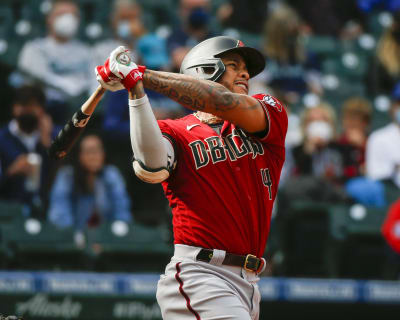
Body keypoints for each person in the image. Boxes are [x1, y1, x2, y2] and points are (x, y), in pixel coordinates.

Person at [94, 36, 287, 319]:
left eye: (246, 68)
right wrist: (135, 89)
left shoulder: (270, 112)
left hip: (248, 281)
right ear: (204, 69)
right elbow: (152, 164)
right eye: (233, 65)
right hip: (201, 273)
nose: (245, 73)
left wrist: (141, 74)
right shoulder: (176, 131)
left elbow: (220, 101)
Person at [17, 0, 90, 124]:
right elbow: (34, 81)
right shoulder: (34, 48)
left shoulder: (87, 52)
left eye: (73, 15)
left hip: (79, 114)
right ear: (49, 18)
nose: (68, 19)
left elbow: (94, 83)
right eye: (61, 14)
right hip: (44, 113)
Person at [48, 134, 132, 232]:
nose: (93, 156)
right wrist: (74, 238)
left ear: (103, 153)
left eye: (97, 151)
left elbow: (122, 210)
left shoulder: (111, 174)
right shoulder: (66, 176)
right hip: (74, 238)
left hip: (107, 237)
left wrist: (116, 234)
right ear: (79, 155)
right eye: (89, 151)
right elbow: (59, 214)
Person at [0, 85, 53, 216]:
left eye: (33, 106)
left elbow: (64, 177)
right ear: (14, 108)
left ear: (42, 110)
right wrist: (11, 172)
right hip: (8, 209)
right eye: (24, 105)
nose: (28, 110)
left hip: (44, 210)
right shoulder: (2, 137)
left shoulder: (53, 135)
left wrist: (48, 145)